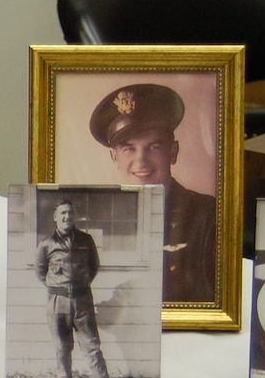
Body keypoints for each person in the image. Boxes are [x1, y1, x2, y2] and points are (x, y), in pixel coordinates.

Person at [89, 82, 216, 304]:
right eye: (129, 149)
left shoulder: (209, 215)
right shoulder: (95, 221)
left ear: (173, 152)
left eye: (153, 147)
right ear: (114, 157)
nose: (141, 161)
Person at [35, 198, 114, 378]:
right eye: (62, 213)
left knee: (92, 347)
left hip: (82, 301)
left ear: (74, 216)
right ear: (55, 218)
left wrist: (79, 286)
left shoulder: (86, 240)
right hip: (57, 302)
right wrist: (58, 288)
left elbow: (93, 266)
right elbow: (40, 271)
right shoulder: (46, 244)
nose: (67, 216)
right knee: (62, 347)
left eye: (70, 212)